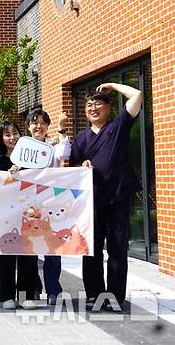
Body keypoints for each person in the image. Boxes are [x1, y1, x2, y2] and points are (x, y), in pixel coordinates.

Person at [69, 83, 143, 312]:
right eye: (89, 105)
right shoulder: (80, 138)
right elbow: (72, 167)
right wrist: (82, 164)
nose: (93, 108)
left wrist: (112, 85)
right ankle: (93, 294)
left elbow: (137, 95)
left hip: (118, 196)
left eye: (98, 103)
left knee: (118, 248)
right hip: (91, 201)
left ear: (109, 108)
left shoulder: (118, 125)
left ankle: (115, 297)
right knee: (90, 249)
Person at [23, 109, 71, 306]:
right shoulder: (23, 148)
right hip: (28, 205)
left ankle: (53, 289)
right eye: (34, 122)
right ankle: (34, 288)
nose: (38, 126)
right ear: (28, 126)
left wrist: (61, 130)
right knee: (30, 248)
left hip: (51, 204)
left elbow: (65, 152)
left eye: (43, 123)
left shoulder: (54, 146)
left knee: (52, 249)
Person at [0, 121, 39, 310]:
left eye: (15, 133)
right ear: (1, 138)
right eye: (7, 134)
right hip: (5, 214)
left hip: (29, 213)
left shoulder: (32, 160)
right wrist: (7, 176)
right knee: (7, 254)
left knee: (28, 254)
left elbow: (41, 180)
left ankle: (27, 295)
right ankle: (7, 296)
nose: (12, 137)